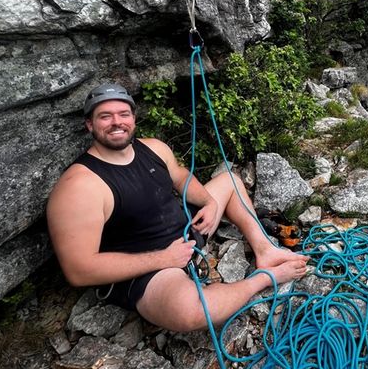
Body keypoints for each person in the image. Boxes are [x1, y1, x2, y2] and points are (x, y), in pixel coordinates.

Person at [47, 82, 308, 332]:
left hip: (186, 232)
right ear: (90, 125)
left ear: (133, 119)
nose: (117, 122)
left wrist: (208, 202)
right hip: (150, 268)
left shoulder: (153, 148)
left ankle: (265, 250)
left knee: (230, 180)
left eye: (123, 114)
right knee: (193, 311)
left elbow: (181, 176)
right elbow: (79, 269)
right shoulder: (79, 186)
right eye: (105, 116)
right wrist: (164, 258)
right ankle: (263, 278)